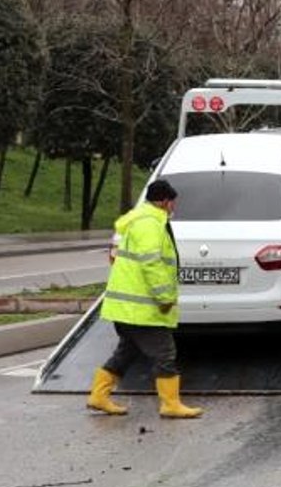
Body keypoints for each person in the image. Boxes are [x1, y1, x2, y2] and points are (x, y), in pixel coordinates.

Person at [87, 179, 203, 418]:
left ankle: (99, 396)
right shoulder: (150, 224)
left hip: (127, 307)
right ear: (164, 201)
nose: (174, 207)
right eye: (173, 202)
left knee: (127, 351)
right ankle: (170, 404)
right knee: (165, 353)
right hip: (141, 308)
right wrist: (165, 297)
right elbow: (151, 263)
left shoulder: (141, 219)